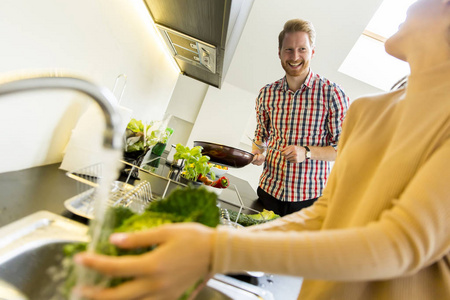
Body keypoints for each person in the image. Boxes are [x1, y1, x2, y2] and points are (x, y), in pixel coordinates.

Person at [72, 0, 450, 299]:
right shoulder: (372, 110)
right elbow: (327, 215)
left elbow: (398, 244)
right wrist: (220, 242)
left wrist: (217, 249)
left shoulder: (337, 96)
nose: (410, 5)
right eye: (288, 49)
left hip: (306, 193)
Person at [251, 18, 349, 217]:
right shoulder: (267, 93)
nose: (295, 56)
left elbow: (343, 148)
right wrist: (257, 153)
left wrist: (307, 152)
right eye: (288, 49)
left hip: (309, 202)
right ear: (279, 53)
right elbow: (261, 135)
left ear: (312, 51)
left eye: (302, 49)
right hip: (268, 192)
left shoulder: (333, 94)